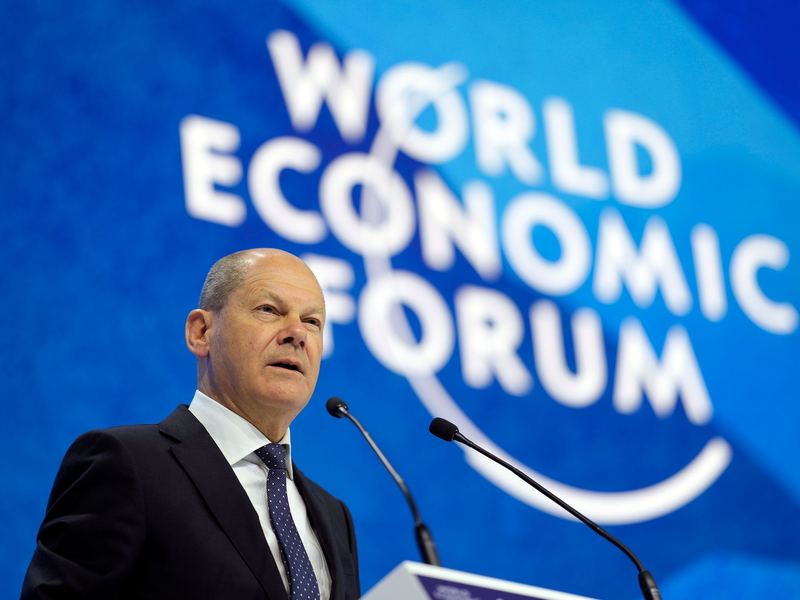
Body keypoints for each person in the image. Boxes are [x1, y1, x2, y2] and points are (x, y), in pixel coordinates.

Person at [21, 249, 360, 600]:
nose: (297, 333)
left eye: (312, 322)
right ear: (201, 332)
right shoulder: (129, 464)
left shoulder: (335, 516)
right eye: (269, 310)